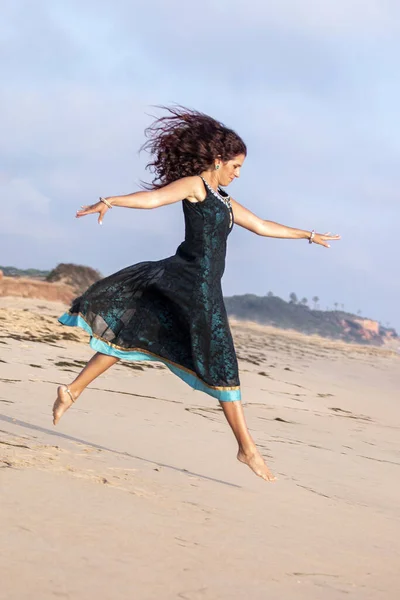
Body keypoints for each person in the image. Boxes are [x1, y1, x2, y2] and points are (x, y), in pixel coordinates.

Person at [53, 106, 340, 482]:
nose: (238, 174)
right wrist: (112, 200)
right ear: (218, 160)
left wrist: (308, 234)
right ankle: (247, 448)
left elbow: (262, 225)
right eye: (235, 167)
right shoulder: (196, 186)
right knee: (221, 361)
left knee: (130, 337)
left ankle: (71, 391)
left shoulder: (223, 199)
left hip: (198, 284)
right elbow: (154, 199)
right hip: (191, 284)